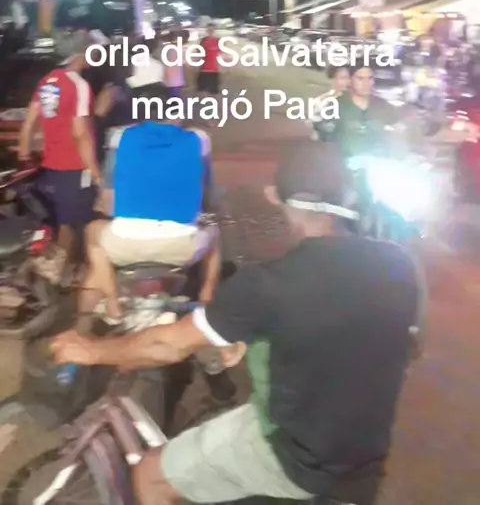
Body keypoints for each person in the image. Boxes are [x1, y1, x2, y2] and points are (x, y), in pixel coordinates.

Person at [53, 142, 425, 505]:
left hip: (293, 456)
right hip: (364, 460)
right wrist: (263, 336)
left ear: (274, 196)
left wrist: (90, 349)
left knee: (149, 475)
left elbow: (167, 346)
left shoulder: (267, 283)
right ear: (350, 197)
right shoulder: (402, 265)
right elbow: (405, 347)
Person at [78, 79, 219, 323]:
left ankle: (112, 303)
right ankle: (206, 300)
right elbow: (207, 189)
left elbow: (108, 195)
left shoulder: (120, 137)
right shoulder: (200, 139)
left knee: (93, 233)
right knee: (215, 235)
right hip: (181, 247)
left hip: (124, 244)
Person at [18, 30, 100, 276]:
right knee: (73, 222)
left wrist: (24, 153)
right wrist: (95, 171)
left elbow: (29, 121)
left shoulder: (47, 81)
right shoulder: (79, 85)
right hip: (74, 164)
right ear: (81, 54)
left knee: (60, 217)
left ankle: (56, 267)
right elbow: (80, 132)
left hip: (50, 163)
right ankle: (61, 273)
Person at [328, 61, 402, 158]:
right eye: (360, 78)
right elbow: (324, 137)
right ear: (350, 80)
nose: (366, 83)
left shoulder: (383, 106)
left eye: (370, 78)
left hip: (379, 160)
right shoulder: (336, 106)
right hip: (345, 160)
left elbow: (400, 131)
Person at [309, 64, 350, 141]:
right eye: (343, 78)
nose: (348, 82)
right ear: (334, 79)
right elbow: (314, 130)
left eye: (350, 78)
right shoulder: (321, 101)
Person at [196, 23, 220, 97]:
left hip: (214, 69)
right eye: (209, 29)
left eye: (212, 29)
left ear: (214, 30)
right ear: (207, 30)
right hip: (204, 68)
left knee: (213, 92)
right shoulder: (203, 40)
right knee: (202, 91)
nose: (210, 31)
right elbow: (198, 52)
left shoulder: (218, 41)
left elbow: (221, 52)